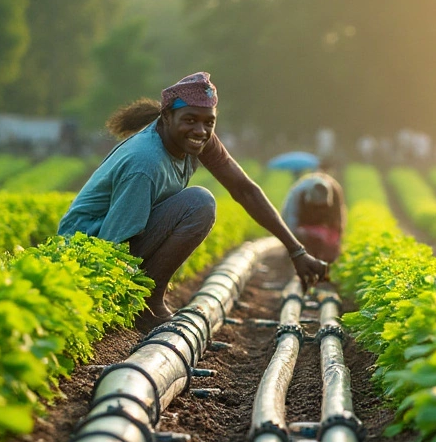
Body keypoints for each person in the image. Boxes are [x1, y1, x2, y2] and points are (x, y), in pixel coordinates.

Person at [58, 72, 328, 330]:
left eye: (208, 122)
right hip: (88, 247)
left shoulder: (195, 139)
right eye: (190, 120)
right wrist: (104, 299)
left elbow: (244, 189)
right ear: (167, 117)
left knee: (198, 204)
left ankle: (145, 298)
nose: (200, 130)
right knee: (199, 203)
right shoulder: (145, 164)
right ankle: (145, 304)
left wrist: (296, 250)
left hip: (115, 236)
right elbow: (111, 244)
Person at [280, 167, 345, 262]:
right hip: (304, 226)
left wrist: (336, 240)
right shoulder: (297, 193)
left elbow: (338, 218)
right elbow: (290, 219)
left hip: (322, 228)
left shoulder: (335, 190)